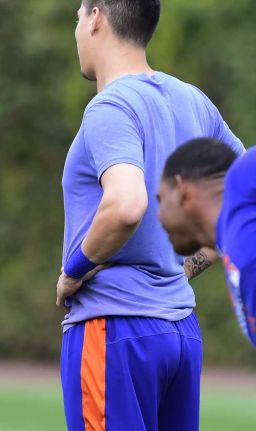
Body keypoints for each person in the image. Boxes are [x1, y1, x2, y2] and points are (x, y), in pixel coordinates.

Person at [57, 1, 245, 429]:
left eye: (77, 16)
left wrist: (74, 270)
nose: (77, 30)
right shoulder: (192, 101)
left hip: (115, 331)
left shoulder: (110, 107)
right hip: (180, 333)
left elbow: (126, 204)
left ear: (97, 17)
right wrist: (187, 268)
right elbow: (239, 196)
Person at [158, 138, 256, 347]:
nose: (158, 217)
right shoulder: (230, 246)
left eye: (160, 200)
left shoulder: (242, 178)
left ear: (181, 190)